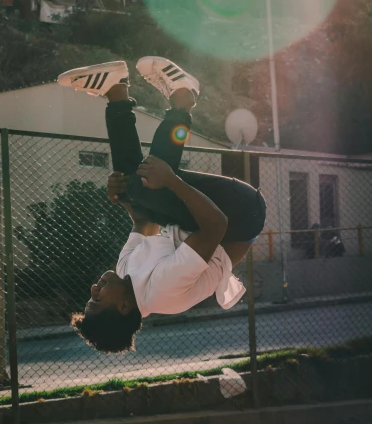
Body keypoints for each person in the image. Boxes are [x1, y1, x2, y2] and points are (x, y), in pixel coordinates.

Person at [57, 57, 266, 353]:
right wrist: (172, 182)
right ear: (125, 306)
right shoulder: (164, 291)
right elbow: (216, 225)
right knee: (145, 186)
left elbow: (144, 222)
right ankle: (182, 98)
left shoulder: (126, 270)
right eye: (98, 298)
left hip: (205, 219)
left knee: (133, 188)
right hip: (242, 216)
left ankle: (116, 91)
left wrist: (121, 199)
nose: (94, 289)